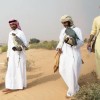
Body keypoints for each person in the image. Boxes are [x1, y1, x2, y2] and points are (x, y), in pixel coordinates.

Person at [56, 15, 83, 98]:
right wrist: (59, 47)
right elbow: (61, 41)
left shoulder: (76, 29)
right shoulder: (63, 30)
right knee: (62, 69)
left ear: (69, 21)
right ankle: (74, 86)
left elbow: (81, 42)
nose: (64, 24)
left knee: (72, 71)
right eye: (63, 23)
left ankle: (72, 91)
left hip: (73, 54)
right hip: (64, 53)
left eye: (65, 22)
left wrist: (72, 43)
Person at [3, 19, 28, 94]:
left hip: (19, 54)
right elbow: (9, 45)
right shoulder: (10, 33)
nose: (12, 26)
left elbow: (25, 44)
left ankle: (21, 86)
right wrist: (8, 55)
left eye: (13, 24)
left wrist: (19, 48)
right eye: (10, 25)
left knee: (19, 70)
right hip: (12, 55)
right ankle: (10, 86)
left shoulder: (20, 33)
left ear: (16, 24)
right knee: (11, 71)